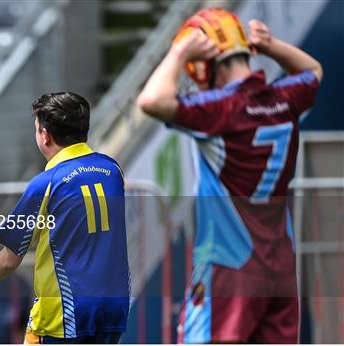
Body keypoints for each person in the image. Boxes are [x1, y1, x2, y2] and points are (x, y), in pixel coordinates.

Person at [137, 8, 322, 344]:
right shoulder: (284, 98)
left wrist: (178, 53)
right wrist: (270, 46)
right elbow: (313, 71)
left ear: (206, 62)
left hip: (229, 268)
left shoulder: (220, 109)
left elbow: (151, 100)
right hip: (280, 269)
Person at [0, 92, 130, 344]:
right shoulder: (112, 169)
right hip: (113, 306)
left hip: (65, 314)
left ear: (45, 135)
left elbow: (11, 256)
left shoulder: (45, 184)